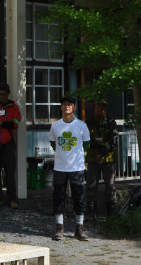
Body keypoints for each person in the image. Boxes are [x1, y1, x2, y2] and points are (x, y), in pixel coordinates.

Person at [49, 96, 90, 241]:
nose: (67, 106)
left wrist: (80, 157)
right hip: (60, 167)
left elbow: (87, 144)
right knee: (58, 196)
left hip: (77, 167)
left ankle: (79, 228)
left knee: (79, 197)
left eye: (70, 104)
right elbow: (53, 143)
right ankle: (59, 227)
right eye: (64, 104)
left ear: (74, 107)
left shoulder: (81, 125)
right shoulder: (55, 126)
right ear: (61, 107)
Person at [85, 101, 118, 219]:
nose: (101, 111)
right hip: (92, 160)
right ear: (95, 108)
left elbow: (113, 141)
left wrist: (101, 152)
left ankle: (110, 214)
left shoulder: (111, 122)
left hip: (108, 160)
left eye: (104, 108)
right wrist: (98, 143)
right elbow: (86, 140)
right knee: (91, 186)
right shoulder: (88, 122)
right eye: (99, 108)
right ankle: (91, 213)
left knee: (110, 186)